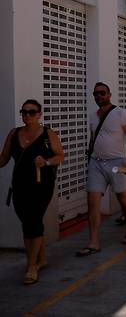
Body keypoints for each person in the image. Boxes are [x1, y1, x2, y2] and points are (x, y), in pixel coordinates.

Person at [0, 100, 65, 284]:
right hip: (19, 186)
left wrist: (46, 162)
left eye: (32, 112)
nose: (27, 115)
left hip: (41, 185)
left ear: (39, 114)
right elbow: (4, 157)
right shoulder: (14, 134)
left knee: (34, 221)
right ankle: (41, 259)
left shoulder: (47, 134)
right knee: (27, 222)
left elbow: (60, 155)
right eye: (24, 112)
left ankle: (31, 266)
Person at [76, 82, 126, 257]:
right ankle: (93, 242)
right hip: (96, 162)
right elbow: (93, 139)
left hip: (117, 163)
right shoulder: (93, 116)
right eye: (96, 94)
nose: (99, 96)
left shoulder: (121, 113)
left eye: (102, 93)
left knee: (122, 197)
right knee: (93, 201)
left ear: (109, 94)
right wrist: (90, 157)